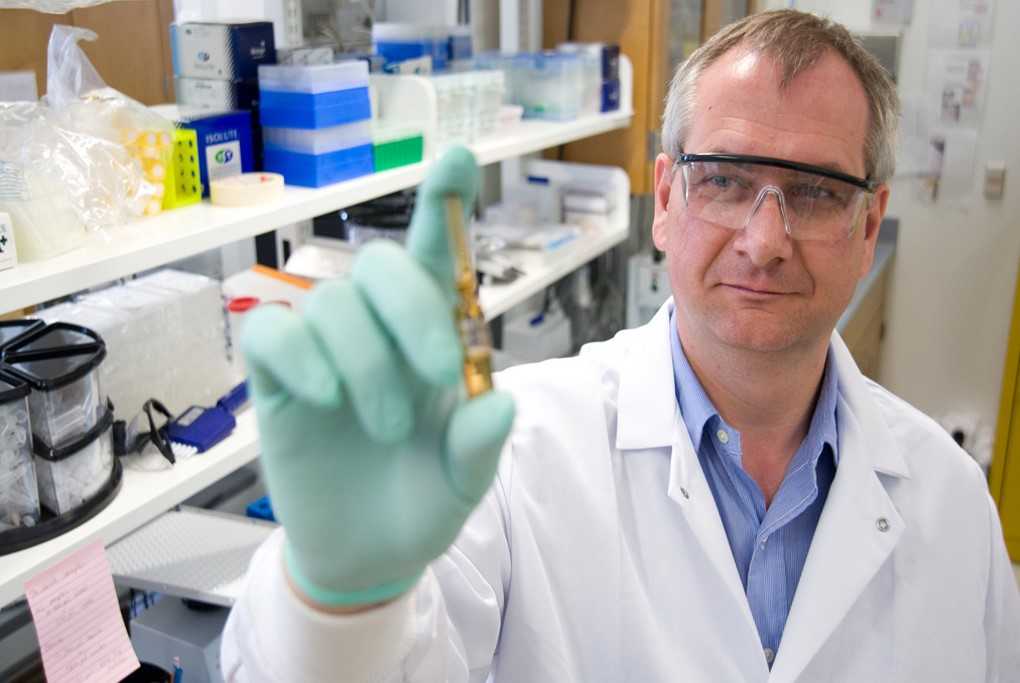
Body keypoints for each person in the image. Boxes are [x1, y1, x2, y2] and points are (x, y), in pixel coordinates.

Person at [221, 9, 1020, 682]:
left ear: (868, 225)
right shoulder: (511, 457)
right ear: (666, 199)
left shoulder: (953, 507)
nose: (765, 239)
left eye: (814, 192)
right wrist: (339, 600)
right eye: (727, 180)